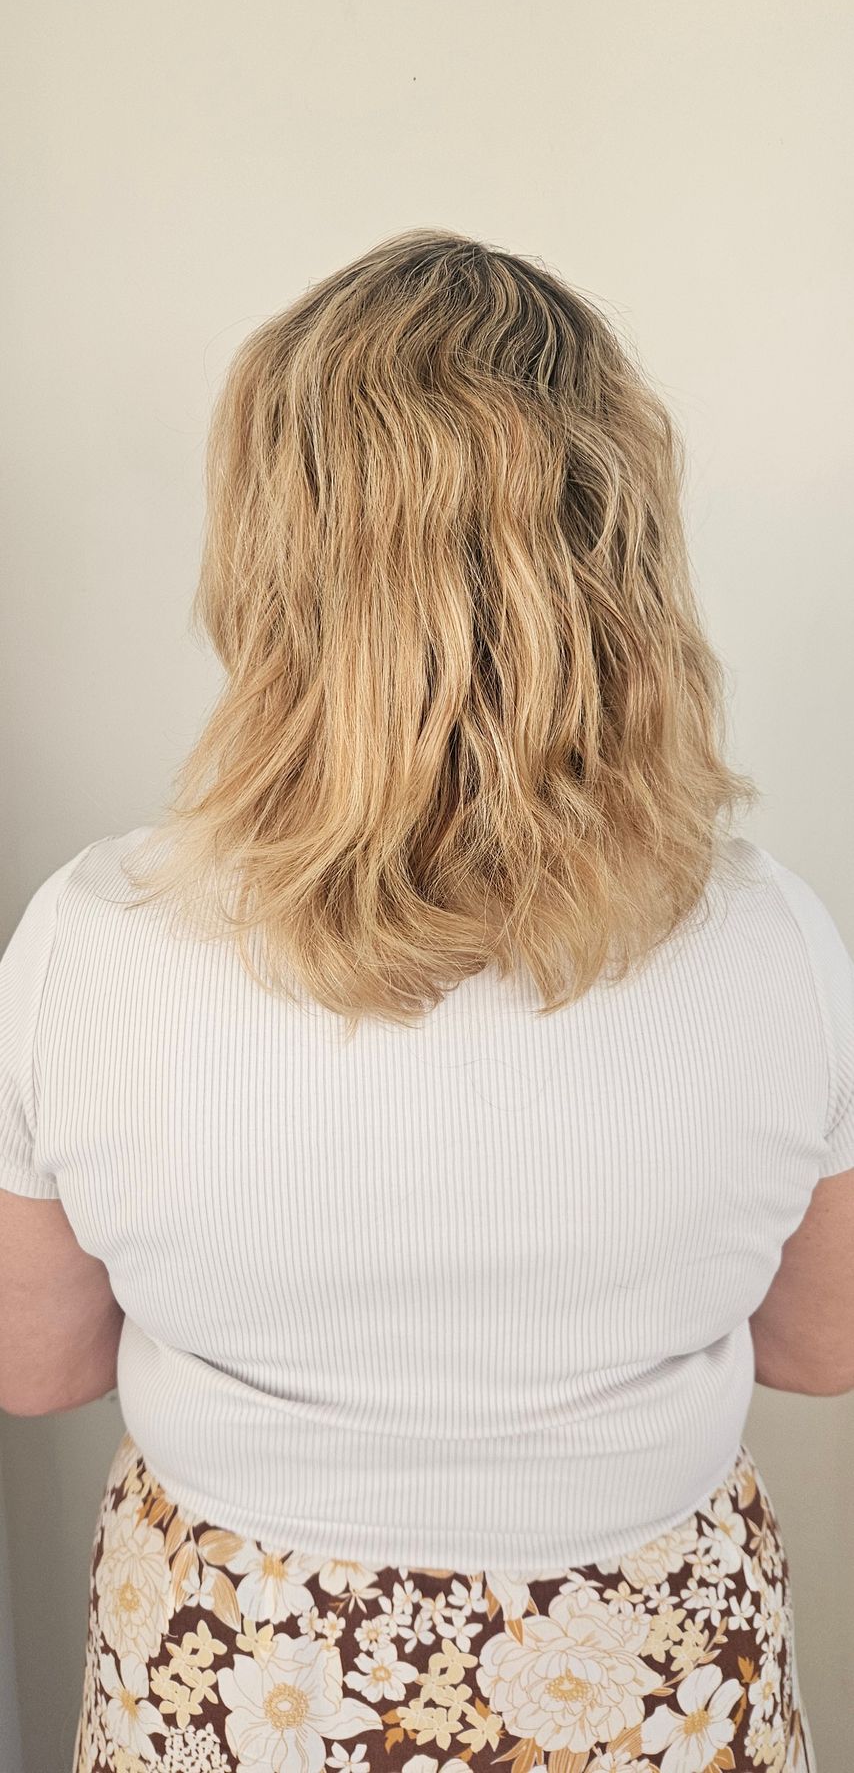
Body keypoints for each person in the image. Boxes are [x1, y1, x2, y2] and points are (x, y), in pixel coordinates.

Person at [1, 230, 850, 1773]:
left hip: (236, 1679)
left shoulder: (92, 943)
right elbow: (820, 1342)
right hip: (650, 1681)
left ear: (270, 553)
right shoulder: (774, 940)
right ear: (620, 549)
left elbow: (33, 1364)